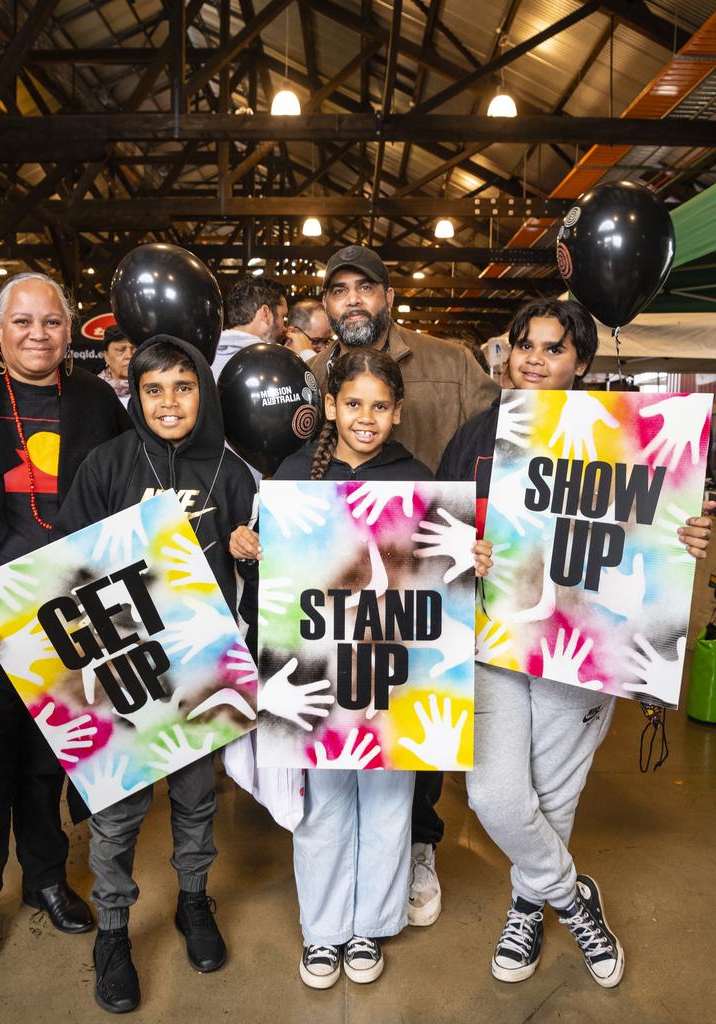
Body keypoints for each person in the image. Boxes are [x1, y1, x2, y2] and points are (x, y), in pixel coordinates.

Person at [438, 298, 714, 989]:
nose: (533, 359)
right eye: (523, 345)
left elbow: (655, 528)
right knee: (495, 796)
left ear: (580, 362)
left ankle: (527, 908)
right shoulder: (476, 434)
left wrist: (688, 539)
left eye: (553, 348)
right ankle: (571, 896)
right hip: (492, 637)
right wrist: (457, 552)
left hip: (582, 643)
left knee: (553, 796)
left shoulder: (628, 436)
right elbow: (436, 531)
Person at [229, 349, 492, 989]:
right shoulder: (290, 476)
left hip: (394, 672)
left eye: (380, 406)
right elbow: (277, 590)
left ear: (398, 412)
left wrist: (471, 561)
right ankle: (322, 934)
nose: (366, 417)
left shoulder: (420, 479)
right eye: (353, 404)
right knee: (321, 806)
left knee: (386, 802)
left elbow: (439, 584)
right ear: (330, 408)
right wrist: (249, 550)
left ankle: (370, 928)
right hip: (318, 669)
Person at [51, 335, 255, 1013]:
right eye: (154, 389)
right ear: (135, 396)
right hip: (122, 670)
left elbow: (262, 576)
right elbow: (61, 571)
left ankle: (194, 902)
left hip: (199, 670)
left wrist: (246, 552)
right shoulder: (105, 465)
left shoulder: (233, 473)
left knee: (197, 801)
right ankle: (113, 934)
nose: (169, 403)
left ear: (205, 390)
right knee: (115, 817)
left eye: (184, 386)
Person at [309, 244, 500, 928]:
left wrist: (486, 535)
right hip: (333, 588)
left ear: (388, 297)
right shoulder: (307, 373)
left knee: (413, 727)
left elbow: (508, 444)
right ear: (326, 305)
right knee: (342, 730)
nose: (354, 299)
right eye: (340, 290)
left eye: (367, 287)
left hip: (428, 581)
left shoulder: (453, 363)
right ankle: (342, 881)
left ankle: (420, 847)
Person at [0, 272, 131, 969]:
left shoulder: (93, 402)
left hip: (65, 612)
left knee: (50, 761)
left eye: (51, 322)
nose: (37, 335)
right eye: (21, 322)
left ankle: (47, 881)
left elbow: (120, 504)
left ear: (68, 329)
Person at [210, 277, 288, 380]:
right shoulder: (272, 363)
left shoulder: (204, 356)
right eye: (283, 317)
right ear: (265, 313)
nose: (285, 328)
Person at [98, 324, 136, 407]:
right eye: (121, 350)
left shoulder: (153, 388)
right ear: (106, 356)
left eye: (134, 349)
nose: (129, 355)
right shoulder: (94, 390)